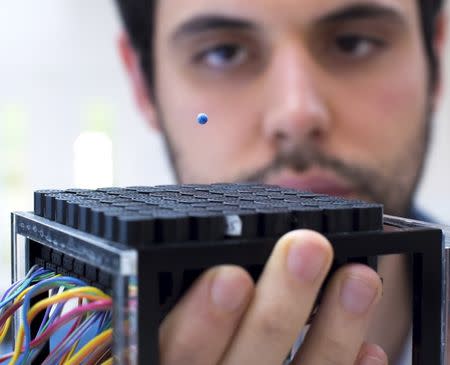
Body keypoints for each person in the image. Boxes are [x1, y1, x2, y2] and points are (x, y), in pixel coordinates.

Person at [115, 0, 446, 364]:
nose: (298, 114)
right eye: (224, 53)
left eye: (353, 42)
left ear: (436, 59)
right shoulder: (58, 333)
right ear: (143, 84)